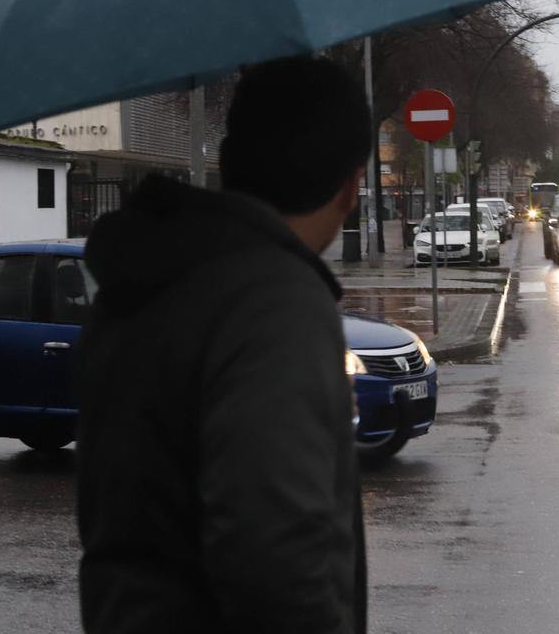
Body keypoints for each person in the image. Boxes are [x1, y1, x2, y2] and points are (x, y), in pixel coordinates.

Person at [77, 55, 370, 633]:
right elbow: (276, 557)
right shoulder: (275, 302)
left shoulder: (142, 280)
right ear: (351, 185)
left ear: (232, 159)